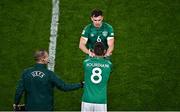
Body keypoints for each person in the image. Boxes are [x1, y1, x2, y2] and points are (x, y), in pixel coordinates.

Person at [14, 49, 84, 111]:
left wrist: (16, 103)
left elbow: (19, 91)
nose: (48, 58)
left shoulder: (26, 73)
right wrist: (80, 84)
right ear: (43, 59)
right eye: (47, 56)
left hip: (30, 108)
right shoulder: (49, 74)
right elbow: (64, 87)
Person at [81, 42, 112, 112]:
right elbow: (107, 60)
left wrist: (90, 55)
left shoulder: (86, 63)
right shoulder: (109, 65)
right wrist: (106, 56)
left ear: (93, 51)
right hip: (101, 100)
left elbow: (88, 58)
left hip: (87, 99)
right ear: (104, 51)